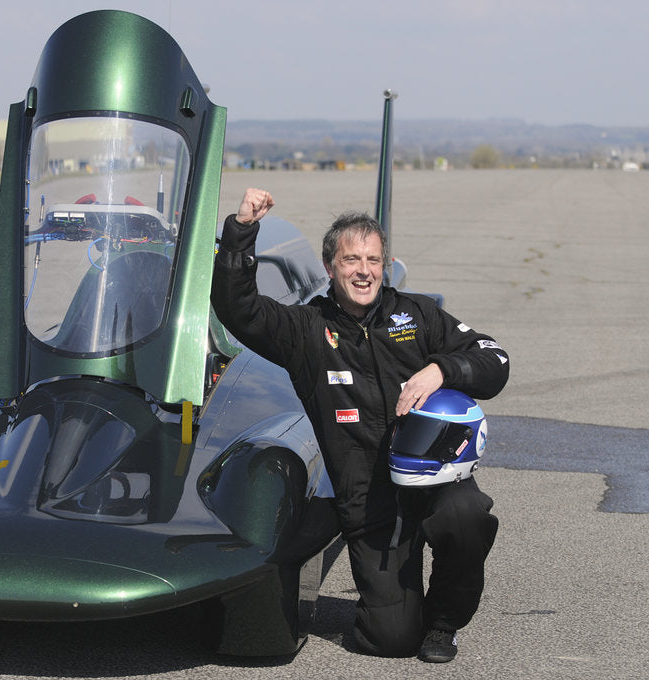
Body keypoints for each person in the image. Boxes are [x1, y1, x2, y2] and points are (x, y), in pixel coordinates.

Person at [211, 188, 509, 663]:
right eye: (351, 260)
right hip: (368, 497)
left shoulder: (418, 316)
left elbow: (495, 359)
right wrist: (241, 231)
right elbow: (238, 308)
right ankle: (396, 610)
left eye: (373, 259)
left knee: (467, 516)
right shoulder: (305, 331)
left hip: (435, 482)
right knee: (390, 640)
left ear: (385, 264)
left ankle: (443, 623)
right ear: (331, 267)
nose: (364, 271)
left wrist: (442, 370)